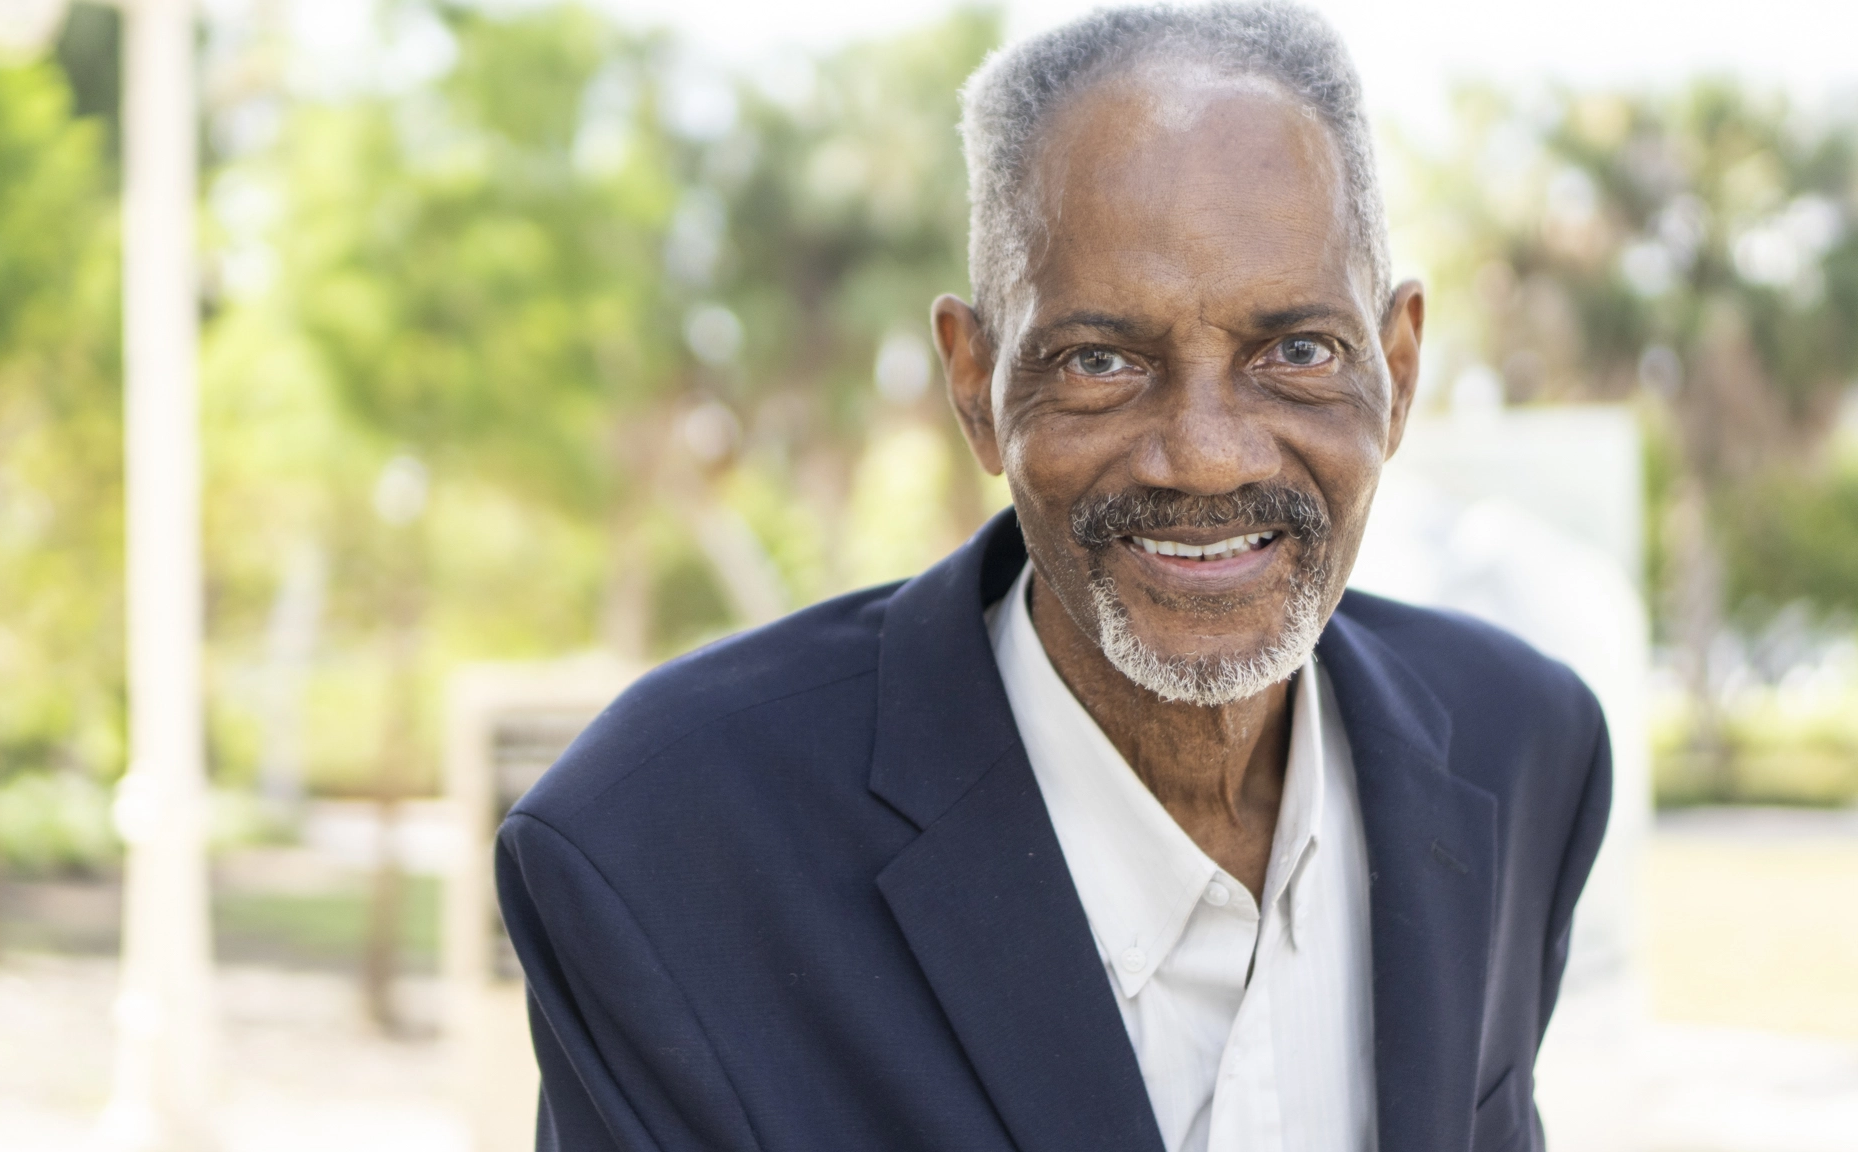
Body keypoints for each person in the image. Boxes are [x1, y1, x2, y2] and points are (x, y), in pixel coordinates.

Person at [496, 3, 1612, 1150]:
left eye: (1295, 352)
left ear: (1400, 366)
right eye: (1098, 361)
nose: (1207, 454)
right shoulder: (661, 850)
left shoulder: (1520, 748)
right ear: (974, 385)